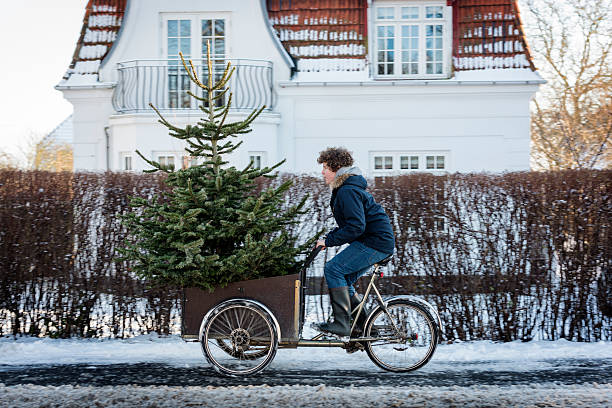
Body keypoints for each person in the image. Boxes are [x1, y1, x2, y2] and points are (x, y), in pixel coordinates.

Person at [314, 147, 395, 337]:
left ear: (337, 168)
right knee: (345, 280)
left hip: (375, 242)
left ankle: (342, 324)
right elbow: (351, 225)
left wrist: (330, 240)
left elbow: (356, 227)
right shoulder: (346, 188)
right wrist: (327, 238)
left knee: (333, 269)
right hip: (376, 241)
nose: (322, 172)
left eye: (325, 167)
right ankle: (366, 328)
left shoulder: (347, 191)